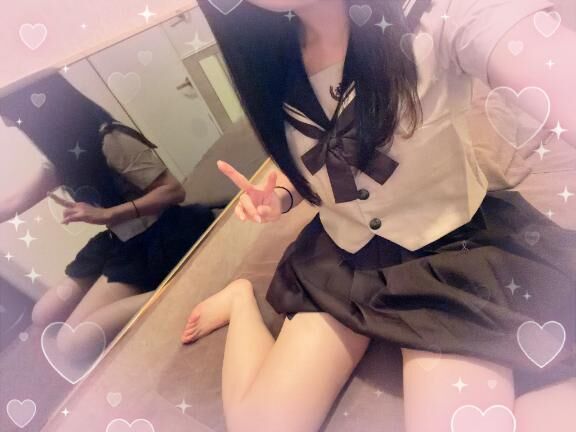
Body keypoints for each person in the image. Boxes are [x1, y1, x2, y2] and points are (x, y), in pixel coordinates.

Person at [182, 0, 576, 431]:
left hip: (446, 256)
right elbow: (318, 161)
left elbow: (530, 51)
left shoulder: (428, 16)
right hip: (343, 259)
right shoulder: (272, 60)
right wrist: (280, 196)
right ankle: (240, 300)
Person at [0, 72, 215, 362]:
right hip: (121, 240)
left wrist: (107, 214)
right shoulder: (62, 158)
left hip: (159, 234)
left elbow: (174, 191)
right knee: (42, 314)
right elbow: (14, 201)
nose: (8, 123)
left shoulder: (111, 138)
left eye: (11, 116)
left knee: (72, 344)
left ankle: (187, 288)